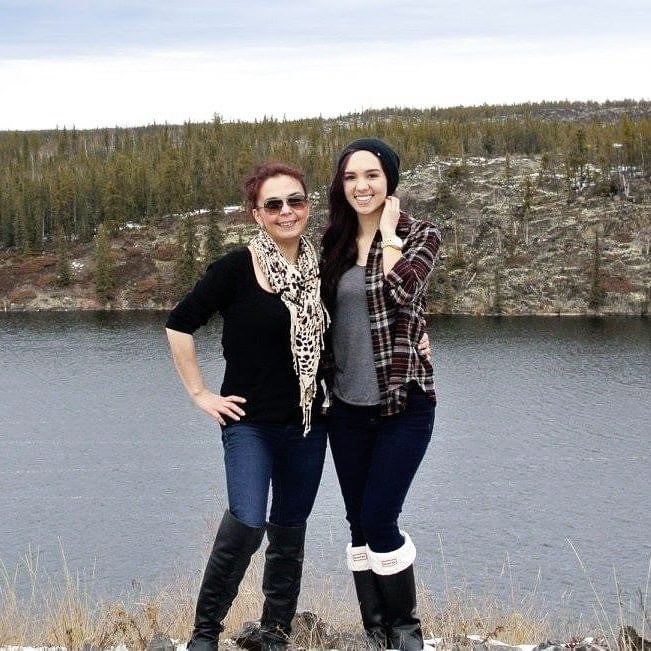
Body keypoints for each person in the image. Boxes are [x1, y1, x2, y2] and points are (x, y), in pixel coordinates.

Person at [165, 162, 330, 651]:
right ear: (256, 215)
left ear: (308, 206)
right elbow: (179, 326)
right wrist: (200, 394)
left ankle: (276, 632)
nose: (286, 211)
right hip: (249, 425)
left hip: (308, 423)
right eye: (273, 204)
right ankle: (204, 633)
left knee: (289, 530)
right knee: (247, 522)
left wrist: (420, 339)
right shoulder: (235, 269)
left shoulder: (323, 269)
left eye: (295, 201)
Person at [320, 138, 441, 651]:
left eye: (371, 175)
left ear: (389, 180)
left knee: (379, 517)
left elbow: (401, 293)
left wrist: (388, 235)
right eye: (350, 177)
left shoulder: (420, 235)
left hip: (403, 404)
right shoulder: (333, 243)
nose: (361, 186)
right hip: (346, 406)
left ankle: (406, 626)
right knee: (356, 520)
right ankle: (376, 628)